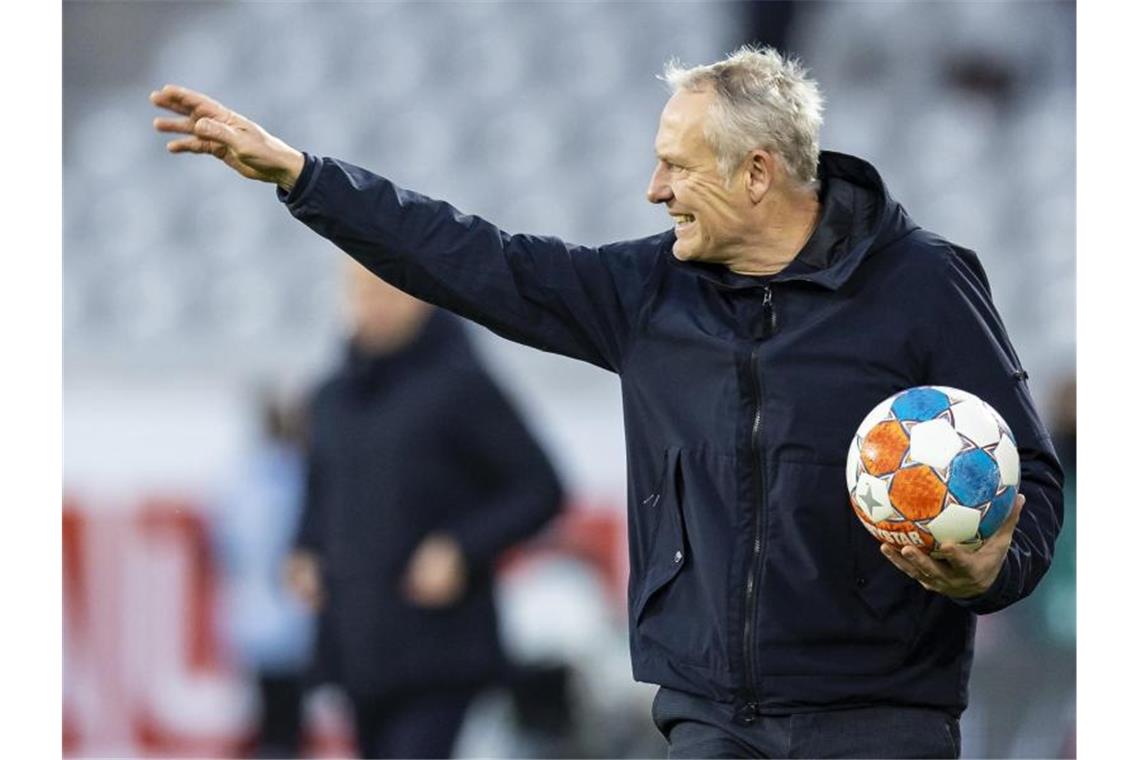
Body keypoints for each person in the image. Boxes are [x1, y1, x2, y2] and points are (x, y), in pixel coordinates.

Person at [151, 45, 1064, 759]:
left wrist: (990, 573)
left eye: (676, 166)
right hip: (711, 717)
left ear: (756, 172)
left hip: (880, 717)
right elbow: (475, 257)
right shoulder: (646, 293)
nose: (653, 189)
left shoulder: (923, 286)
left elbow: (1034, 483)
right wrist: (304, 179)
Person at [282, 261, 562, 759]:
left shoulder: (461, 386)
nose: (373, 306)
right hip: (359, 642)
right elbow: (319, 495)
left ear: (423, 295)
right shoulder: (331, 397)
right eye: (360, 293)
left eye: (386, 292)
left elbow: (540, 488)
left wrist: (461, 548)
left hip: (440, 647)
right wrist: (303, 551)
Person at [212, 388, 314, 758]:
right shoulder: (298, 474)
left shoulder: (243, 478)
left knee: (270, 717)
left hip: (254, 618)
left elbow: (224, 548)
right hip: (292, 618)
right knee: (286, 720)